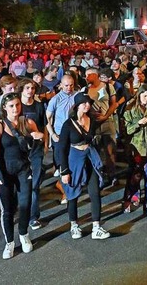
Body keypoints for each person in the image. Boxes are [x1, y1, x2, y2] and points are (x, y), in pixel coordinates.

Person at [0, 92, 44, 259]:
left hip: (23, 169)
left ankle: (24, 234)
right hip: (5, 172)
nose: (15, 108)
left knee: (25, 204)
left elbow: (41, 137)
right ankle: (10, 243)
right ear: (4, 108)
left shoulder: (27, 122)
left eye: (18, 105)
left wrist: (37, 137)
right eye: (11, 106)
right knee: (8, 209)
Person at [58, 93, 110, 240]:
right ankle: (74, 224)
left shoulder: (92, 120)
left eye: (88, 103)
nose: (87, 105)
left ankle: (96, 227)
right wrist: (64, 170)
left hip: (89, 157)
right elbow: (61, 148)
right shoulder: (68, 124)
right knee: (72, 193)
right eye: (84, 103)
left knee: (95, 192)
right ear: (77, 105)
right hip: (74, 159)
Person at [122, 85, 147, 218]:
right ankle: (130, 200)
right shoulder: (130, 110)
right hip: (136, 149)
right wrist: (139, 123)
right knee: (135, 176)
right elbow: (127, 130)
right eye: (144, 96)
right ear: (139, 96)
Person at [16, 78, 48, 230]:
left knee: (34, 185)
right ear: (21, 90)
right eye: (27, 88)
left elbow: (44, 126)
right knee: (21, 184)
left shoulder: (39, 106)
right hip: (19, 151)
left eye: (33, 88)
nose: (30, 91)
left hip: (36, 150)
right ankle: (22, 210)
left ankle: (33, 216)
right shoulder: (16, 106)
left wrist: (46, 143)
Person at [46, 73, 79, 203]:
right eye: (66, 85)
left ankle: (71, 188)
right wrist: (53, 135)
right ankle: (64, 190)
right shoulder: (55, 99)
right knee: (62, 164)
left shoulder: (77, 96)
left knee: (72, 162)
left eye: (71, 85)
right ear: (60, 85)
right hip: (60, 136)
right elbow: (47, 118)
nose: (69, 88)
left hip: (74, 135)